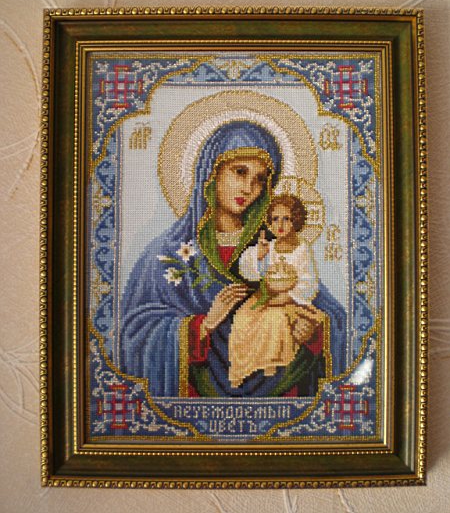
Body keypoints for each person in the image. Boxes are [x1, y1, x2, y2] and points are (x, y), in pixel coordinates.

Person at [119, 120, 346, 397]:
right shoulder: (168, 251)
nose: (249, 188)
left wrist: (312, 332)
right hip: (196, 395)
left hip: (281, 387)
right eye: (239, 172)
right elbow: (136, 332)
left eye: (260, 179)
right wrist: (202, 325)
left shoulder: (278, 248)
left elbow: (332, 317)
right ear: (212, 173)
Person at [228, 194, 326, 388]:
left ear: (296, 220)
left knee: (275, 318)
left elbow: (309, 283)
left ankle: (270, 364)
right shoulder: (268, 247)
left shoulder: (302, 249)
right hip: (265, 297)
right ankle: (241, 369)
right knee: (242, 319)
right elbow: (250, 272)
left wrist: (287, 297)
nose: (279, 225)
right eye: (275, 219)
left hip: (290, 301)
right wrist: (259, 256)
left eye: (286, 219)